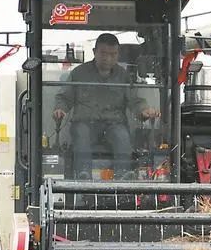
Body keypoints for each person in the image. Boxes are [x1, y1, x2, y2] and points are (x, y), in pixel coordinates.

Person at [53, 33, 160, 179]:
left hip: (114, 124)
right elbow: (64, 97)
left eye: (113, 54)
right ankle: (83, 175)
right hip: (85, 123)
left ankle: (123, 178)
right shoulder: (79, 73)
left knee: (122, 136)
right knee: (81, 133)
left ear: (118, 54)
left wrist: (144, 110)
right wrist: (60, 109)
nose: (108, 58)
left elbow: (134, 100)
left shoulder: (123, 76)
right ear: (94, 52)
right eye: (103, 53)